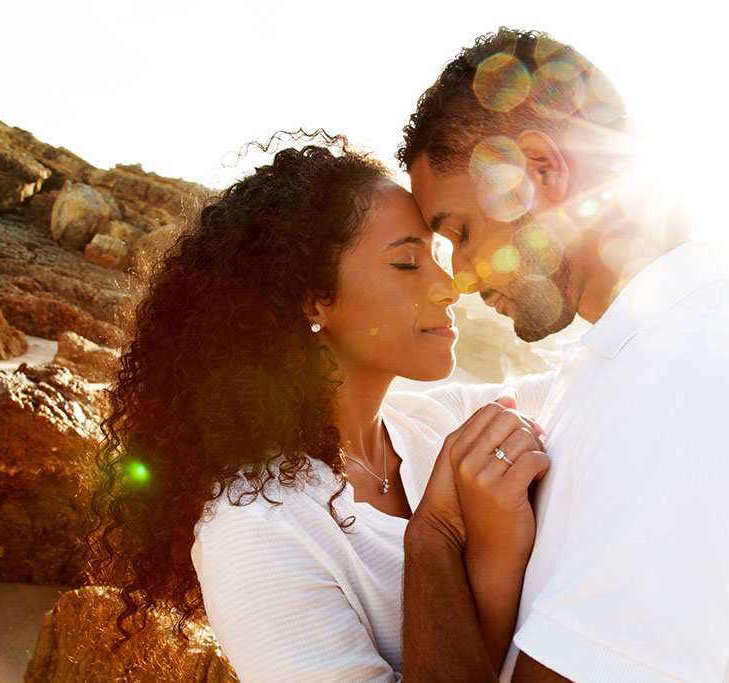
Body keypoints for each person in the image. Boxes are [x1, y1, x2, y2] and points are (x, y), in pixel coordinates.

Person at [399, 29, 729, 682]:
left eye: (459, 232)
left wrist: (432, 540)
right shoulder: (634, 360)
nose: (459, 274)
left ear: (541, 172)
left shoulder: (692, 384)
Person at [87, 134, 554, 681]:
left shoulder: (437, 424)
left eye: (435, 255)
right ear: (314, 300)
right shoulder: (255, 528)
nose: (448, 286)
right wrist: (451, 543)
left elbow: (603, 372)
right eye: (407, 263)